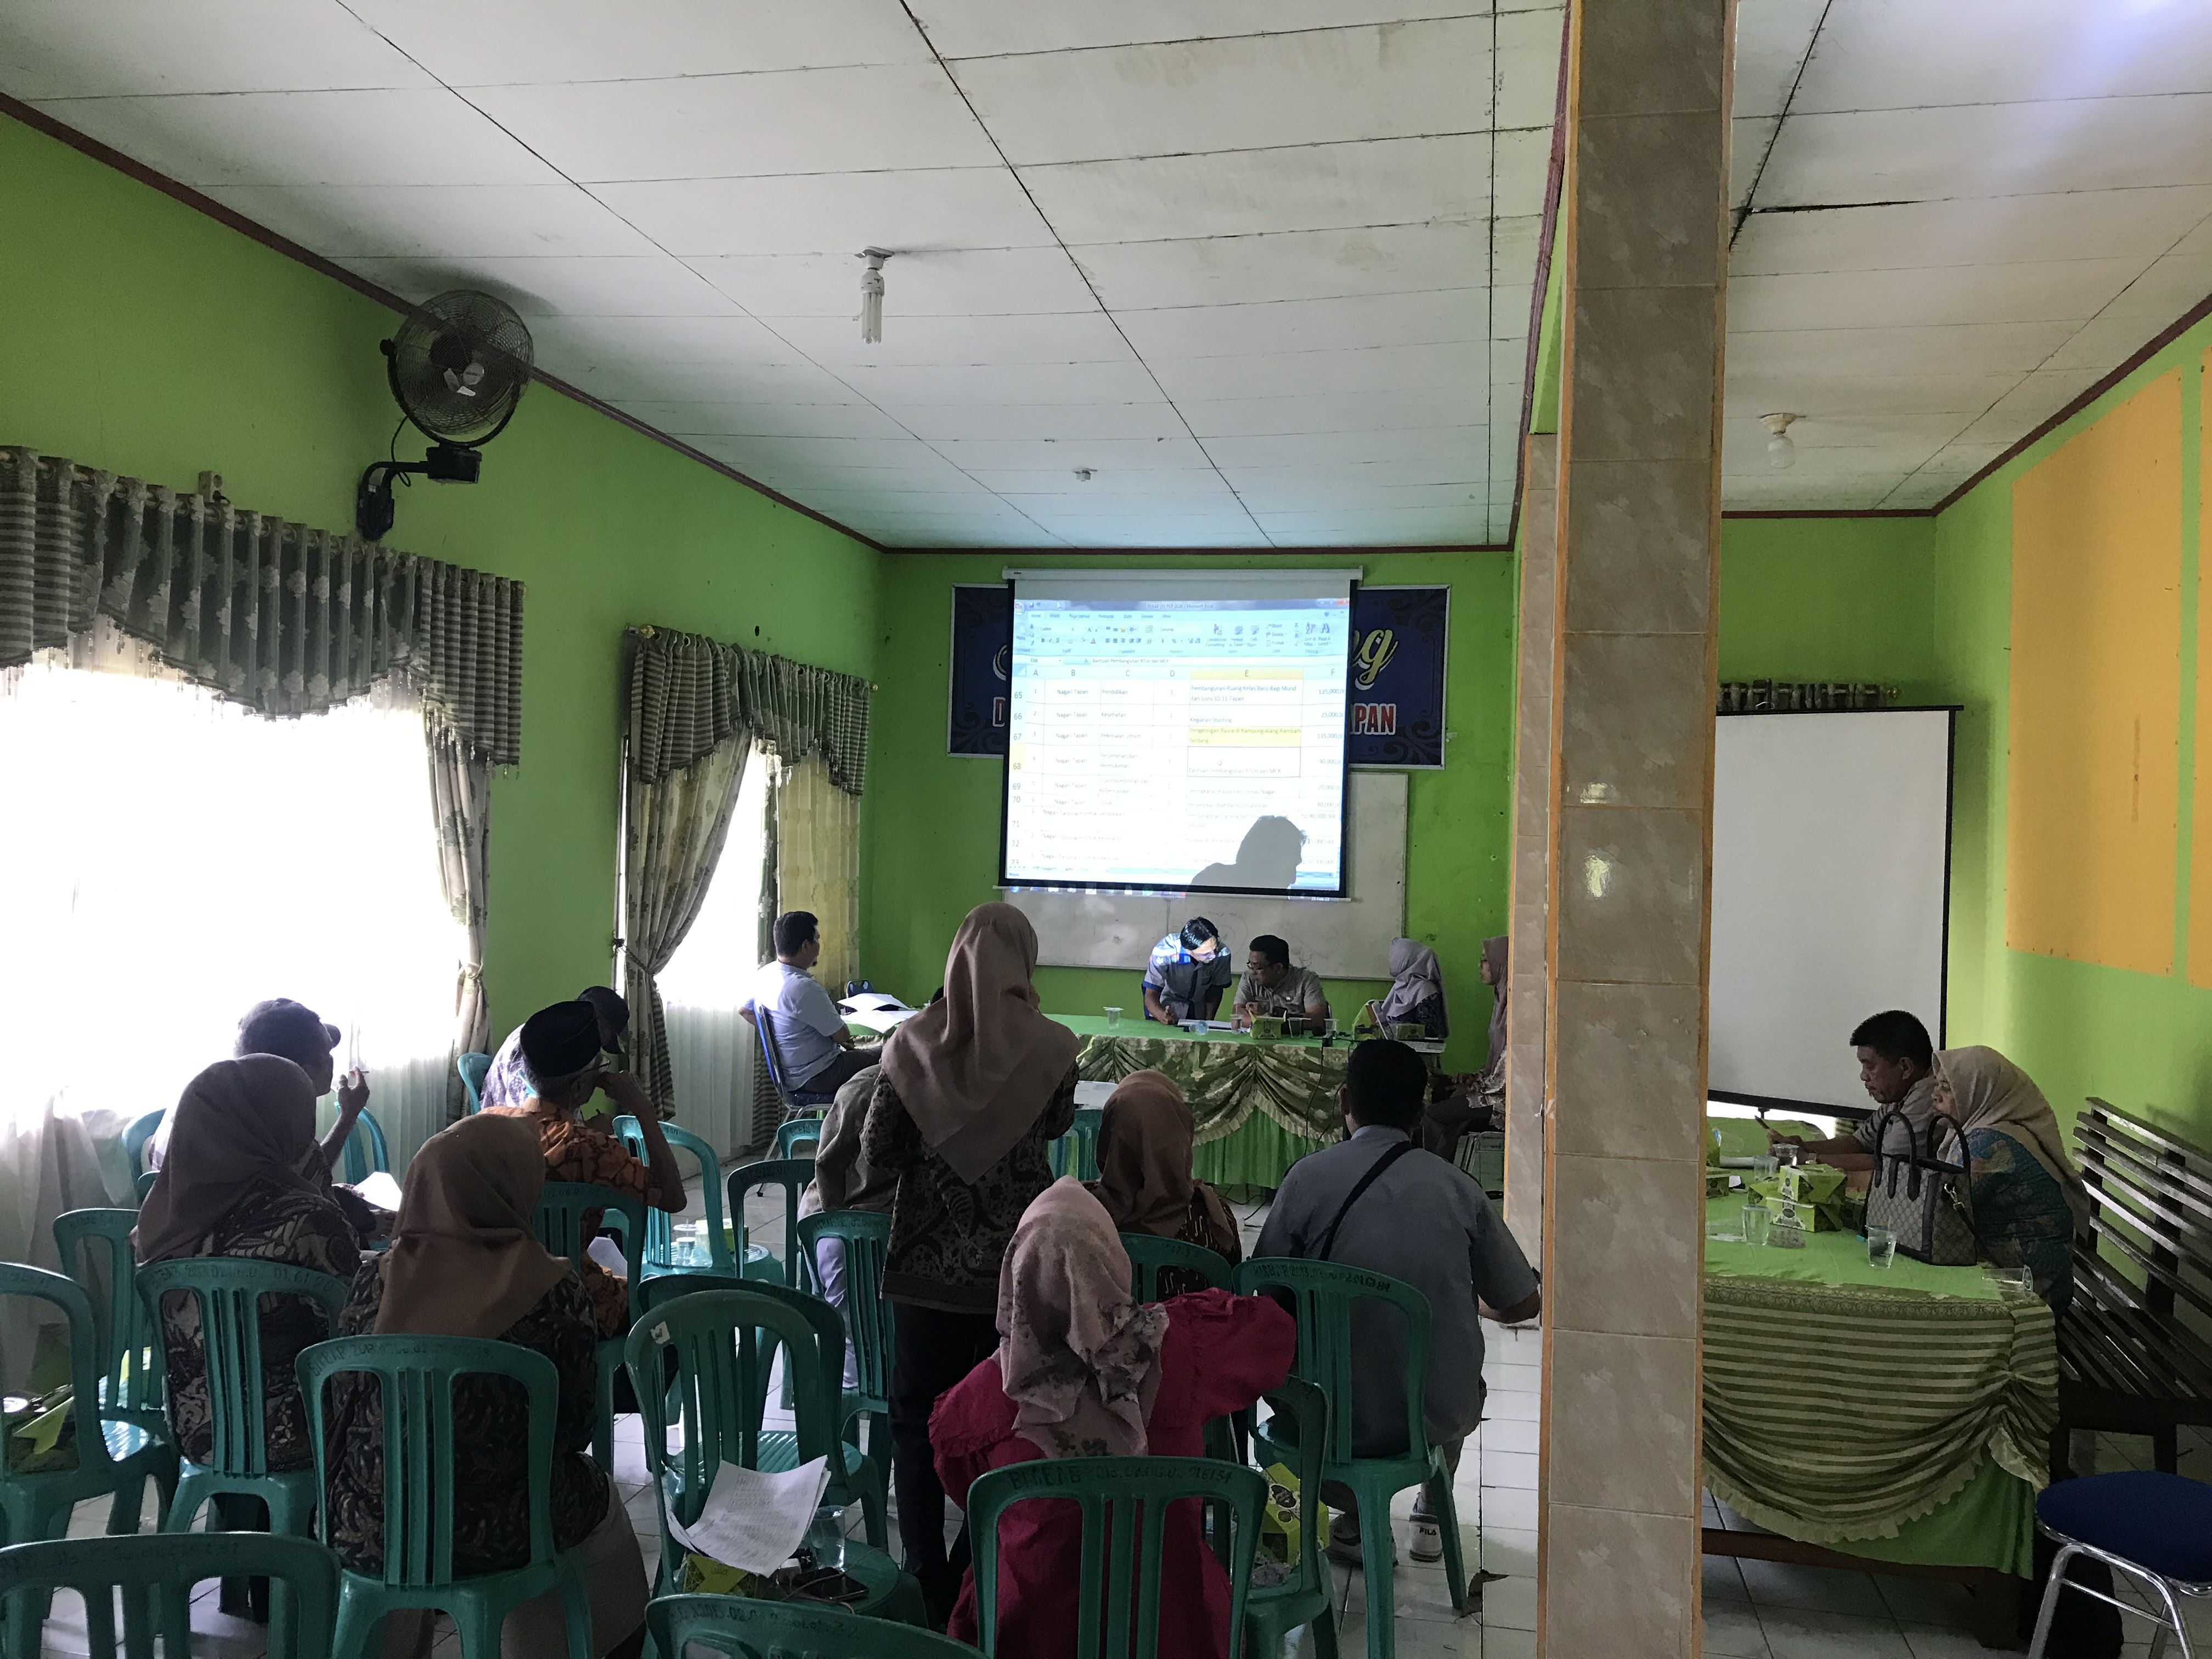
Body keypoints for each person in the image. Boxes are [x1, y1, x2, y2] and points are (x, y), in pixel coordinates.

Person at [321, 1114, 648, 1659]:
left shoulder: (374, 1278)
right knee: (595, 1503)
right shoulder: (552, 1288)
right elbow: (574, 1426)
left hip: (372, 1522)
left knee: (416, 1496)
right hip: (504, 1530)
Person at [933, 1180, 1295, 1658]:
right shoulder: (1180, 1348)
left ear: (1016, 1274)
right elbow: (1275, 1333)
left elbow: (968, 1490)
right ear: (1111, 1259)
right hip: (1175, 1628)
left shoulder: (983, 1396)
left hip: (1029, 1634)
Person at [862, 902, 1080, 1626]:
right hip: (1013, 1279)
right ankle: (972, 1564)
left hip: (923, 1273)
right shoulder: (1051, 1047)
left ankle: (922, 1565)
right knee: (1003, 1416)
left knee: (914, 1416)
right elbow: (1054, 1127)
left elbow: (876, 1156)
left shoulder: (908, 1045)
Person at [1255, 1039, 1540, 1567]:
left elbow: (1268, 1290)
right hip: (1427, 1419)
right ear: (1420, 1112)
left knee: (1326, 1379)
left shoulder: (1305, 1178)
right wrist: (1478, 1307)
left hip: (1323, 1419)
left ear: (1345, 1100)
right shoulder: (1459, 1189)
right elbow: (1523, 1303)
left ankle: (1360, 1520)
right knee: (1453, 1373)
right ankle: (1431, 1507)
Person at [134, 1055, 359, 1473]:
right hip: (300, 1430)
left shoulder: (162, 1214)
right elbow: (350, 1329)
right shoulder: (308, 1217)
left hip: (196, 1430)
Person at [484, 999, 686, 1341]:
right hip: (570, 1298)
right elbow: (673, 1198)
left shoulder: (488, 1128)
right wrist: (643, 1110)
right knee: (672, 1319)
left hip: (497, 1296)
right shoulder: (591, 1149)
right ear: (579, 1087)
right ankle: (625, 1391)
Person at [1932, 1046, 2092, 1312]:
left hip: (2034, 1293)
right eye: (1937, 1085)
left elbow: (1939, 1212)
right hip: (2016, 1276)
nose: (1934, 1095)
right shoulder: (1989, 1129)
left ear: (1978, 1092)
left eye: (1947, 1088)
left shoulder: (1992, 1144)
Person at [1083, 1070, 1242, 1297]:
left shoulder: (1083, 1217)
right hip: (1190, 1333)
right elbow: (1233, 1293)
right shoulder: (1213, 1222)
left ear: (1109, 1135)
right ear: (1181, 1132)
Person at [798, 1062, 896, 1388]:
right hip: (845, 1224)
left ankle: (858, 1391)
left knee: (854, 1328)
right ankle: (858, 1393)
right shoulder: (868, 1091)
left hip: (838, 1219)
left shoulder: (866, 1088)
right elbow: (829, 1167)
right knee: (855, 1338)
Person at [1768, 1009, 1937, 1172]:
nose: (1864, 1076)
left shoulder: (1929, 1094)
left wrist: (1808, 1158)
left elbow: (1885, 1166)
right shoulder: (1901, 1092)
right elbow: (1860, 1142)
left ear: (1905, 1067)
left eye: (1870, 1066)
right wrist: (1799, 1148)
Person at [741, 911, 875, 1096]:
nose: (819, 946)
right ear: (806, 946)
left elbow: (745, 1011)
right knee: (889, 1052)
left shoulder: (765, 975)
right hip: (821, 1075)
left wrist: (779, 1035)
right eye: (817, 940)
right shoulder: (804, 989)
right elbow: (842, 1036)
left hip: (789, 1075)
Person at [479, 986, 629, 1113]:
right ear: (598, 1023)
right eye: (604, 1038)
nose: (595, 1051)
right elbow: (532, 1117)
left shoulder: (546, 1033)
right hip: (508, 1129)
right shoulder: (542, 1046)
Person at [1415, 936, 1499, 1159]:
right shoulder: (1502, 1002)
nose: (1480, 966)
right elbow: (1498, 1065)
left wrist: (1476, 1089)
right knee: (1438, 1089)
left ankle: (1436, 1173)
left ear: (1502, 964)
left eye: (1485, 960)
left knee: (1434, 1114)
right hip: (1493, 1089)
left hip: (1502, 1100)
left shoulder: (1515, 1011)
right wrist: (1474, 1078)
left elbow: (1510, 1074)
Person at [1141, 917, 1233, 1025]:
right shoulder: (1165, 951)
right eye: (1206, 954)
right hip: (1166, 1005)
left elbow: (1216, 990)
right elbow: (1151, 992)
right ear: (1189, 950)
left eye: (1215, 949)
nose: (1213, 956)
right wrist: (1161, 1014)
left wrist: (1209, 1021)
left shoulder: (1222, 953)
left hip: (1197, 1008)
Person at [1232, 934, 1330, 1027]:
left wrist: (1271, 1019)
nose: (1253, 972)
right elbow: (1237, 1015)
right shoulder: (1249, 977)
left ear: (1278, 968)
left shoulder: (1306, 980)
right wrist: (1264, 1019)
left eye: (1257, 967)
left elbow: (1317, 1019)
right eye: (1251, 965)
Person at [1374, 937, 1452, 1041]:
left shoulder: (1425, 989)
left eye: (1395, 956)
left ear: (1407, 959)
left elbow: (1430, 1033)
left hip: (1414, 1052)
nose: (1391, 961)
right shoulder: (1400, 984)